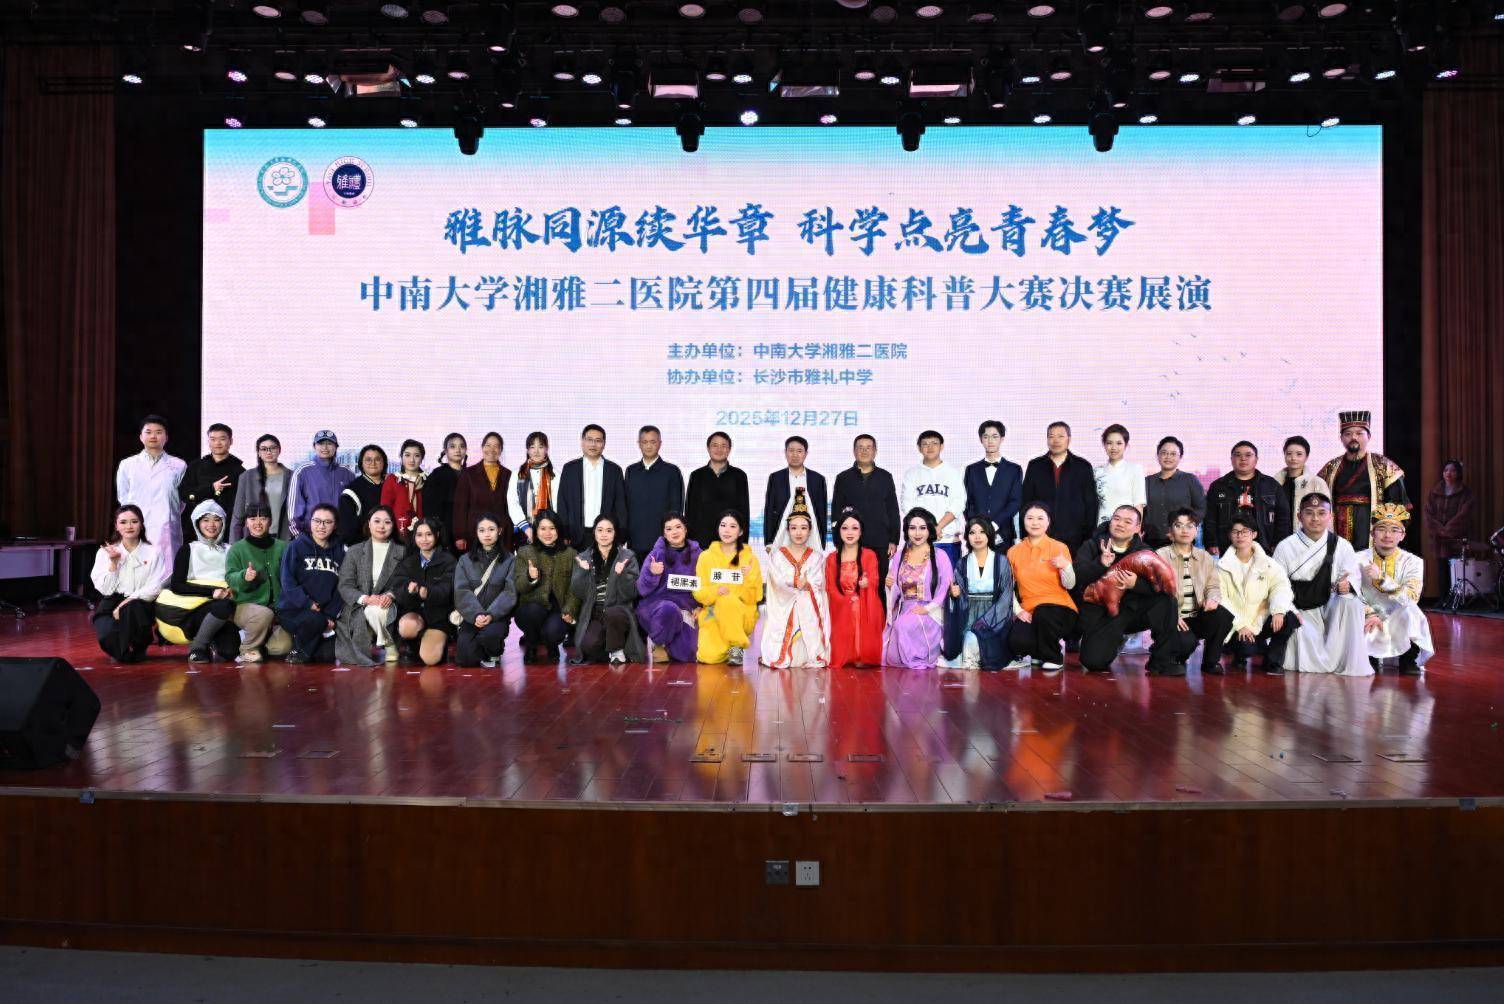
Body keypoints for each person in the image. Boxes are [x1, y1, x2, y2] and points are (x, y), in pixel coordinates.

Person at [1073, 505, 1188, 676]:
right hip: (1103, 614)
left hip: (1132, 611)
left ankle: (1161, 661)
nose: (1120, 524)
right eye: (1116, 519)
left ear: (1137, 528)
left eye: (1128, 522)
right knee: (1093, 662)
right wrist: (1100, 564)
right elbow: (1078, 577)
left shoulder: (1144, 551)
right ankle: (1114, 639)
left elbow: (1159, 586)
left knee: (1167, 600)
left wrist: (1135, 584)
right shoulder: (1092, 545)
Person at [1271, 493, 1370, 676]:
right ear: (1299, 516)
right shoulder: (1285, 547)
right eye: (1309, 513)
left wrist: (1348, 585)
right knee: (1299, 627)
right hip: (1299, 605)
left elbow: (1352, 578)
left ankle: (1347, 661)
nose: (1315, 518)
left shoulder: (1342, 545)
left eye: (1321, 513)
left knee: (1351, 603)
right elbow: (1276, 584)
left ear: (1330, 516)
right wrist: (1288, 609)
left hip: (1330, 603)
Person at [154, 500, 239, 663]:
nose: (211, 525)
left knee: (230, 652)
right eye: (206, 520)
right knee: (223, 606)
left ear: (223, 522)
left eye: (217, 519)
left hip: (221, 610)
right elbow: (177, 585)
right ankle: (198, 647)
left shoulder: (231, 550)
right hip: (191, 611)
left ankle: (210, 637)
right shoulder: (188, 549)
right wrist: (212, 592)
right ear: (197, 523)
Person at [1316, 410, 1410, 551]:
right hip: (1337, 527)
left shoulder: (1384, 466)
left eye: (1359, 433)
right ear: (1341, 438)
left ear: (1369, 436)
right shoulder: (1330, 468)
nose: (1353, 437)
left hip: (1368, 525)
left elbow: (1398, 506)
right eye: (1348, 434)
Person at [1357, 504, 1433, 675]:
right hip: (1367, 611)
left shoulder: (1413, 562)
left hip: (1397, 611)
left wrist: (1383, 579)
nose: (1387, 535)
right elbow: (1352, 592)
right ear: (1372, 533)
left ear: (1402, 535)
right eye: (1381, 529)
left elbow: (1411, 597)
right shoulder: (1358, 559)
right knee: (1347, 607)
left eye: (1394, 530)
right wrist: (1368, 612)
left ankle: (1408, 659)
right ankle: (1368, 658)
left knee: (1411, 610)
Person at [1216, 516, 1298, 673]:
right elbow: (1222, 598)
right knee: (1246, 648)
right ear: (1230, 535)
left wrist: (1278, 611)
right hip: (1236, 625)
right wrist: (1240, 625)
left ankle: (1273, 661)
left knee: (1289, 618)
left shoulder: (1269, 563)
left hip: (1260, 620)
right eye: (1235, 532)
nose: (1240, 536)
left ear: (1254, 534)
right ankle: (1239, 655)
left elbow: (1281, 587)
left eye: (1245, 531)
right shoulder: (1222, 566)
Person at [1157, 508, 1234, 674]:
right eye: (1178, 525)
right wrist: (1171, 615)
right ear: (1170, 530)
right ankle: (1169, 656)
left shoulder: (1204, 556)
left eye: (1190, 526)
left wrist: (1212, 599)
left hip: (1197, 614)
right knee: (1187, 643)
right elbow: (1156, 592)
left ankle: (1211, 662)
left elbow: (1213, 586)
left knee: (1223, 616)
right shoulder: (1160, 556)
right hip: (1173, 617)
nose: (1185, 530)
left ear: (1196, 530)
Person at [89, 504, 169, 663]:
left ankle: (138, 645)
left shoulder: (154, 552)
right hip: (112, 600)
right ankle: (124, 652)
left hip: (140, 602)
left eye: (134, 521)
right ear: (116, 526)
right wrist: (114, 563)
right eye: (123, 522)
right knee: (106, 635)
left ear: (141, 524)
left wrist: (126, 603)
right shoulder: (105, 552)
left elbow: (155, 586)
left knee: (133, 611)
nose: (129, 526)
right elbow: (106, 590)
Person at [944, 516, 1022, 671]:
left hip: (995, 615)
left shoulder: (1001, 561)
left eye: (982, 532)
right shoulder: (962, 563)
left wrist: (987, 621)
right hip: (968, 614)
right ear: (967, 537)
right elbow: (959, 596)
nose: (977, 537)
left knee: (979, 644)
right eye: (972, 533)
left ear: (989, 534)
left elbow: (1006, 596)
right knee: (969, 641)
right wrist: (954, 595)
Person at [1006, 502, 1079, 671]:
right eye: (1030, 518)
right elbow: (1007, 587)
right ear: (1023, 521)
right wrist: (1018, 611)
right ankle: (1039, 652)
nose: (1035, 523)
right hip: (1030, 610)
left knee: (1044, 611)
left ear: (1048, 522)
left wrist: (1066, 566)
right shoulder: (1013, 551)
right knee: (1017, 641)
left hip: (1060, 609)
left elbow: (1069, 584)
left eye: (1040, 518)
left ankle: (1054, 657)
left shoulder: (1059, 547)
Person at [760, 503, 831, 669]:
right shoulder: (777, 556)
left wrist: (807, 584)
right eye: (794, 528)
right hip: (784, 603)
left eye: (803, 528)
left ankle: (811, 654)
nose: (799, 532)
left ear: (810, 531)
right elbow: (776, 580)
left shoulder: (817, 557)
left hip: (808, 603)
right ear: (788, 530)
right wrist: (793, 582)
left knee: (806, 607)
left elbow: (818, 581)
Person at [882, 508, 954, 670]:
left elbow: (945, 588)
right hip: (904, 609)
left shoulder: (940, 555)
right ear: (907, 531)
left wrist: (927, 608)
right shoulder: (900, 555)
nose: (917, 533)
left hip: (931, 612)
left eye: (922, 528)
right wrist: (889, 585)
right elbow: (895, 590)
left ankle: (922, 655)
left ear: (930, 530)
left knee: (903, 625)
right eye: (912, 528)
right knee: (882, 651)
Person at [335, 506, 408, 666]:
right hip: (358, 604)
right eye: (377, 521)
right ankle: (385, 642)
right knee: (369, 610)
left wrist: (391, 595)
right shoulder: (354, 551)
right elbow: (345, 584)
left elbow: (405, 581)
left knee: (375, 610)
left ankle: (389, 645)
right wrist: (365, 599)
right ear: (368, 524)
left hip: (389, 603)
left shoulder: (402, 552)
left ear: (393, 525)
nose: (382, 526)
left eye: (387, 522)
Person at [830, 434, 901, 597]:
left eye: (868, 448)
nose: (864, 451)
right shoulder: (843, 478)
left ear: (875, 451)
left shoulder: (885, 477)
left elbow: (892, 509)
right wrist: (837, 540)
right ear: (854, 451)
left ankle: (879, 614)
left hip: (880, 541)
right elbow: (836, 512)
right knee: (852, 587)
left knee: (878, 586)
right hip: (851, 542)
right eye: (860, 448)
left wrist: (893, 539)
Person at [223, 502, 293, 663]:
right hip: (246, 606)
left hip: (278, 609)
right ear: (246, 523)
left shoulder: (283, 547)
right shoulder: (237, 549)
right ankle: (247, 649)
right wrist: (244, 576)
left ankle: (259, 641)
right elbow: (230, 577)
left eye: (263, 518)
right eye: (253, 519)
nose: (258, 523)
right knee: (264, 614)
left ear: (270, 521)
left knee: (281, 648)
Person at [569, 514, 643, 665]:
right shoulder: (584, 557)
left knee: (612, 613)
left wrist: (622, 575)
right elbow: (578, 592)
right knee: (588, 647)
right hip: (595, 613)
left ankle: (616, 650)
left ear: (615, 533)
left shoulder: (627, 556)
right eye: (600, 530)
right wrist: (582, 572)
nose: (604, 534)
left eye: (609, 530)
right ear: (594, 532)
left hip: (619, 610)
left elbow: (632, 593)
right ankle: (615, 645)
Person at [692, 510, 763, 665]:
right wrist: (715, 591)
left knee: (727, 601)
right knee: (707, 657)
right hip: (713, 612)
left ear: (741, 531)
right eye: (723, 525)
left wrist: (748, 578)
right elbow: (698, 591)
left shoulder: (750, 559)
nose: (727, 530)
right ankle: (727, 646)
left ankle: (737, 645)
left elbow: (756, 596)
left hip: (741, 614)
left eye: (732, 526)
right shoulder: (705, 557)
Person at [277, 503, 345, 663]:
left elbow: (341, 587)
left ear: (335, 525)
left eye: (327, 522)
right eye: (317, 521)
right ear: (310, 522)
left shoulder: (339, 552)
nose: (321, 526)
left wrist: (330, 615)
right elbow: (287, 581)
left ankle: (306, 644)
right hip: (293, 611)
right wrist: (307, 603)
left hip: (324, 614)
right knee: (315, 621)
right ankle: (297, 652)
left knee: (327, 656)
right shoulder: (295, 546)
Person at [1020, 421, 1098, 558]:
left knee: (1072, 571)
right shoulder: (1035, 466)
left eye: (1060, 436)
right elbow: (1026, 502)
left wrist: (1089, 538)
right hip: (1041, 535)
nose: (1055, 440)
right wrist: (1025, 535)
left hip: (1075, 538)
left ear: (1069, 439)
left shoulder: (1083, 466)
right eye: (1051, 436)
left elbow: (1091, 504)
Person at [115, 414, 188, 558]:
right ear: (141, 437)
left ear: (166, 437)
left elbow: (181, 502)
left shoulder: (179, 465)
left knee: (167, 567)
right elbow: (123, 497)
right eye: (148, 432)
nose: (153, 436)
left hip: (166, 527)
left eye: (158, 432)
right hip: (136, 526)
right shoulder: (127, 464)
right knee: (137, 565)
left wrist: (167, 514)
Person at [513, 510, 580, 664]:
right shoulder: (525, 552)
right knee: (533, 611)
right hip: (531, 609)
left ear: (558, 530)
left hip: (557, 609)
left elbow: (574, 589)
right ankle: (531, 644)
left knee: (554, 631)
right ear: (536, 531)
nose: (547, 533)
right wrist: (530, 577)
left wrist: (569, 610)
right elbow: (519, 586)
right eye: (542, 528)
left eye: (552, 528)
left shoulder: (570, 554)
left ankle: (552, 645)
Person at [1203, 441, 1291, 557]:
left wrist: (1278, 543)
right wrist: (1212, 542)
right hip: (1228, 548)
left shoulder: (1271, 485)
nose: (1243, 459)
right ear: (1231, 459)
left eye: (1248, 455)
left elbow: (1283, 518)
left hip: (1265, 547)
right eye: (1238, 455)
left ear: (1256, 459)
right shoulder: (1218, 486)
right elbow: (1210, 518)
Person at [452, 512, 517, 668]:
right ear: (476, 533)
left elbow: (510, 592)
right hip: (472, 616)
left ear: (499, 531)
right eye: (482, 530)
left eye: (491, 529)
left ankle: (494, 650)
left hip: (496, 616)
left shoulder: (510, 560)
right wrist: (476, 614)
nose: (487, 534)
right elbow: (462, 591)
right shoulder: (465, 560)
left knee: (491, 636)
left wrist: (491, 614)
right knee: (465, 658)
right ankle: (481, 649)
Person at [635, 512, 702, 664]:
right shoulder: (656, 554)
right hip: (658, 608)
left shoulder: (699, 555)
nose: (674, 532)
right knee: (669, 610)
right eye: (669, 529)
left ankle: (668, 647)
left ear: (685, 529)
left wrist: (700, 606)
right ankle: (658, 642)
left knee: (691, 652)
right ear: (664, 534)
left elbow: (706, 584)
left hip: (687, 610)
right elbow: (642, 589)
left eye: (678, 527)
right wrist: (652, 574)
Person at [390, 517, 457, 666]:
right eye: (419, 535)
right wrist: (409, 591)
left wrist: (429, 593)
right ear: (414, 537)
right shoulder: (408, 561)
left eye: (429, 534)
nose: (424, 539)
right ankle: (412, 645)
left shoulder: (448, 560)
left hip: (438, 619)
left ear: (437, 535)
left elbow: (450, 590)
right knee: (407, 626)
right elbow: (398, 590)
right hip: (415, 614)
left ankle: (438, 642)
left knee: (430, 659)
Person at [825, 509, 884, 669]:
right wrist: (844, 600)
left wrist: (867, 584)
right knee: (851, 605)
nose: (849, 532)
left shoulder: (869, 555)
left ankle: (861, 653)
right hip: (840, 603)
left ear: (861, 531)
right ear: (839, 531)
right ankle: (848, 653)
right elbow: (831, 588)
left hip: (865, 601)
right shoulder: (832, 558)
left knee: (857, 605)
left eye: (854, 528)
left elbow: (874, 580)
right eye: (845, 528)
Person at [900, 430, 967, 571]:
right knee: (918, 582)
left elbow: (958, 503)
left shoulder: (953, 473)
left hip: (948, 541)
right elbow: (908, 506)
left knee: (950, 582)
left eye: (934, 443)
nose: (929, 447)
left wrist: (939, 527)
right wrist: (927, 529)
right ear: (919, 448)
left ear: (942, 446)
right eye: (925, 444)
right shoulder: (911, 474)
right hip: (920, 541)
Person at [557, 424, 628, 549]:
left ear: (604, 444)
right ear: (582, 441)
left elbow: (620, 505)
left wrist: (621, 535)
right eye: (589, 440)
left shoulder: (614, 470)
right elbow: (562, 503)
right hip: (575, 535)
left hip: (605, 536)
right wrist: (563, 533)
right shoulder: (569, 469)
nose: (593, 444)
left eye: (598, 441)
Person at [624, 425, 685, 556]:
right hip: (635, 541)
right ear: (639, 444)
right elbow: (626, 506)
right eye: (644, 442)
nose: (648, 446)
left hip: (663, 541)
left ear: (660, 443)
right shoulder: (631, 471)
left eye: (653, 442)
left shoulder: (671, 471)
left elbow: (676, 508)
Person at [178, 423, 244, 545]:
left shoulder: (240, 471)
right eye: (213, 439)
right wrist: (211, 489)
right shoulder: (196, 466)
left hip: (227, 532)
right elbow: (184, 494)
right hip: (196, 530)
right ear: (208, 441)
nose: (217, 443)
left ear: (231, 441)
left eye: (222, 439)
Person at [685, 431, 751, 549]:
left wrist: (743, 543)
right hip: (701, 541)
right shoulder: (697, 475)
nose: (719, 449)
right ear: (708, 448)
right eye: (715, 445)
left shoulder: (739, 476)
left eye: (723, 446)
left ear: (729, 449)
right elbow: (690, 512)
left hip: (730, 540)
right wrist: (690, 544)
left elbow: (744, 512)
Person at [762, 436, 829, 550]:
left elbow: (822, 512)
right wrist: (769, 541)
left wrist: (822, 542)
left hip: (811, 537)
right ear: (785, 452)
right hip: (781, 536)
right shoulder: (775, 478)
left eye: (799, 451)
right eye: (791, 450)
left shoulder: (818, 479)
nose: (795, 455)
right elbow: (769, 510)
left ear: (806, 454)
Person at [964, 420, 1023, 549]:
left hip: (1004, 534)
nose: (990, 441)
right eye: (986, 437)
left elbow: (1015, 502)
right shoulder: (971, 470)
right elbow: (968, 502)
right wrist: (978, 526)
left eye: (994, 436)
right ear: (981, 439)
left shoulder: (1014, 469)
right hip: (977, 535)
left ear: (1002, 439)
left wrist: (994, 524)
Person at [1143, 436, 1206, 548]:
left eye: (1173, 454)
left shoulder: (1190, 480)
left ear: (1180, 457)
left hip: (1182, 541)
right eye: (1164, 453)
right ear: (1158, 455)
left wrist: (1185, 528)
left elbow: (1201, 508)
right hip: (1150, 542)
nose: (1168, 457)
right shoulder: (1147, 481)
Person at [289, 430, 355, 536]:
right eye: (321, 443)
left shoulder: (347, 473)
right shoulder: (302, 471)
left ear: (336, 447)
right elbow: (294, 512)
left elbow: (354, 507)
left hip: (340, 536)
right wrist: (300, 537)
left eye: (329, 443)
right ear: (314, 446)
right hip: (311, 536)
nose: (325, 447)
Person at [230, 434, 291, 542]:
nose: (268, 452)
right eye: (264, 449)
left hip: (284, 536)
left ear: (279, 450)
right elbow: (238, 515)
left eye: (272, 448)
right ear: (258, 453)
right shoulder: (247, 477)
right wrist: (234, 545)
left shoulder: (292, 476)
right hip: (254, 536)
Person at [1274, 436, 1331, 536]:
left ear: (1306, 457)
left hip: (1307, 536)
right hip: (1279, 537)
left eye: (1299, 454)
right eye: (1289, 454)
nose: (1293, 458)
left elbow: (1325, 514)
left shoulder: (1316, 483)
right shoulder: (1275, 483)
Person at [1094, 423, 1146, 525]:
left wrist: (1137, 528)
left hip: (1125, 527)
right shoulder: (1097, 472)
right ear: (1104, 445)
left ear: (1126, 445)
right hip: (1100, 526)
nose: (1114, 447)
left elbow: (1138, 504)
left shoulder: (1135, 469)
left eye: (1119, 443)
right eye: (1109, 443)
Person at [508, 431, 555, 545]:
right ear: (527, 450)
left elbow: (558, 506)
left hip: (549, 532)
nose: (536, 451)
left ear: (546, 449)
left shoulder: (555, 475)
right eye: (532, 447)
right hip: (524, 532)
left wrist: (549, 529)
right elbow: (512, 502)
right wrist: (527, 529)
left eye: (541, 447)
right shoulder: (517, 474)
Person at [424, 433, 467, 553]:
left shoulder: (471, 475)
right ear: (445, 451)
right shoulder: (436, 475)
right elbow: (429, 507)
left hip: (468, 533)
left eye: (462, 446)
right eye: (452, 446)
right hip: (444, 534)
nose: (458, 450)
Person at [1424, 459, 1473, 561]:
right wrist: (1439, 529)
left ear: (1458, 473)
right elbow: (1428, 513)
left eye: (1452, 471)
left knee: (1456, 568)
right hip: (1438, 539)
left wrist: (1448, 529)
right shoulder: (1435, 491)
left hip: (1457, 538)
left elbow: (1465, 513)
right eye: (1446, 470)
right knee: (1441, 568)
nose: (1448, 473)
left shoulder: (1465, 492)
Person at [339, 444, 389, 545]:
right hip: (363, 547)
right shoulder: (351, 491)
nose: (373, 463)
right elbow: (346, 532)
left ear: (384, 462)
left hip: (391, 545)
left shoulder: (392, 486)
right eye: (368, 459)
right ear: (361, 463)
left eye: (377, 459)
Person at [380, 439, 427, 536]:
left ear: (422, 458)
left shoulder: (428, 481)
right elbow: (385, 509)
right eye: (407, 455)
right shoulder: (393, 480)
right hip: (398, 533)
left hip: (423, 534)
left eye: (416, 455)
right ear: (401, 456)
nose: (412, 460)